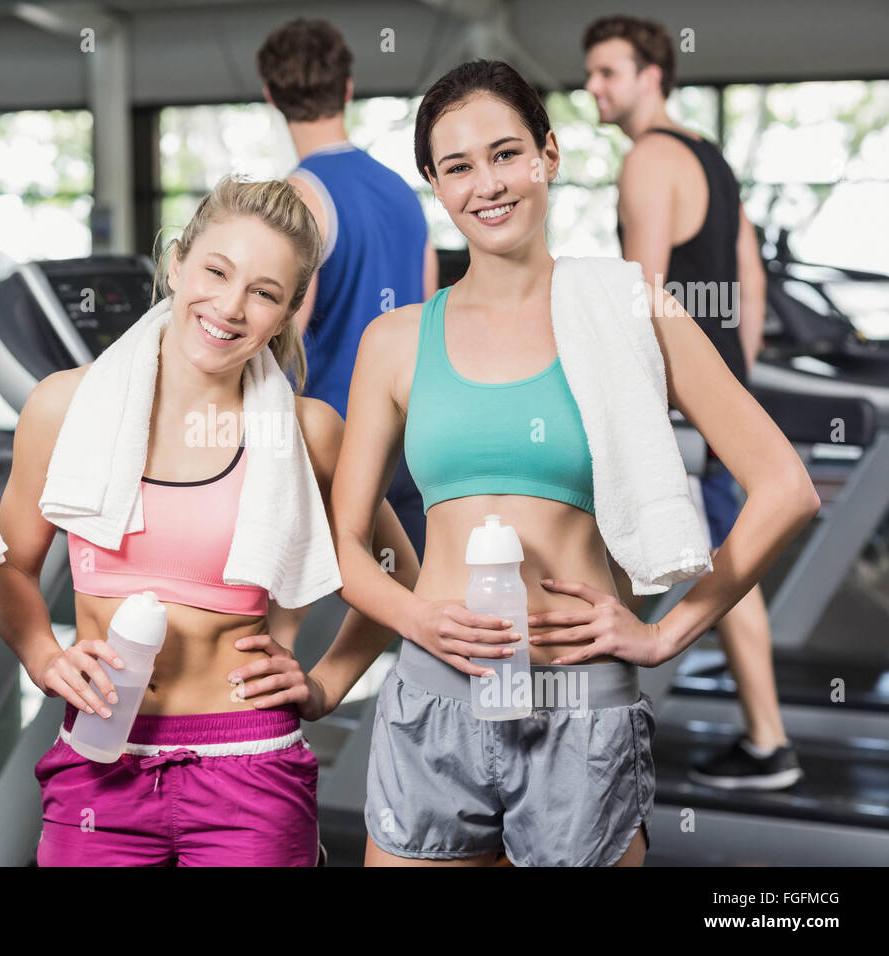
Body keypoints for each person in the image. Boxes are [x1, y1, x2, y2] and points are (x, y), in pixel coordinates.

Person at [331, 59, 820, 866]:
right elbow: (348, 545)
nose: (486, 184)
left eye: (505, 153)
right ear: (435, 183)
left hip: (580, 709)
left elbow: (785, 487)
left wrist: (666, 634)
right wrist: (415, 616)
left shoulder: (630, 309)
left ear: (547, 157)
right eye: (457, 167)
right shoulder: (394, 342)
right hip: (431, 703)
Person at [0, 175, 419, 866]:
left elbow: (399, 573)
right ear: (176, 263)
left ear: (285, 315)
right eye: (216, 271)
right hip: (99, 762)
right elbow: (8, 566)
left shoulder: (307, 432)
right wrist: (44, 656)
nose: (230, 306)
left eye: (264, 293)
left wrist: (324, 684)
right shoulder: (63, 409)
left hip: (249, 769)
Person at [583, 14, 800, 790]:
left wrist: (637, 397)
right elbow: (750, 277)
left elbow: (639, 289)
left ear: (653, 75)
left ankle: (764, 741)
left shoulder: (647, 159)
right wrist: (731, 381)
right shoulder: (712, 158)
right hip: (719, 393)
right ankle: (765, 739)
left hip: (679, 399)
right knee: (726, 563)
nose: (593, 87)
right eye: (592, 73)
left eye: (608, 72)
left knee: (707, 563)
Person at [257, 17, 436, 561]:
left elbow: (282, 329)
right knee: (416, 601)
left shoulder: (298, 195)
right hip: (409, 437)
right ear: (348, 89)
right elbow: (426, 318)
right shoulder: (403, 193)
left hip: (333, 449)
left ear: (271, 95)